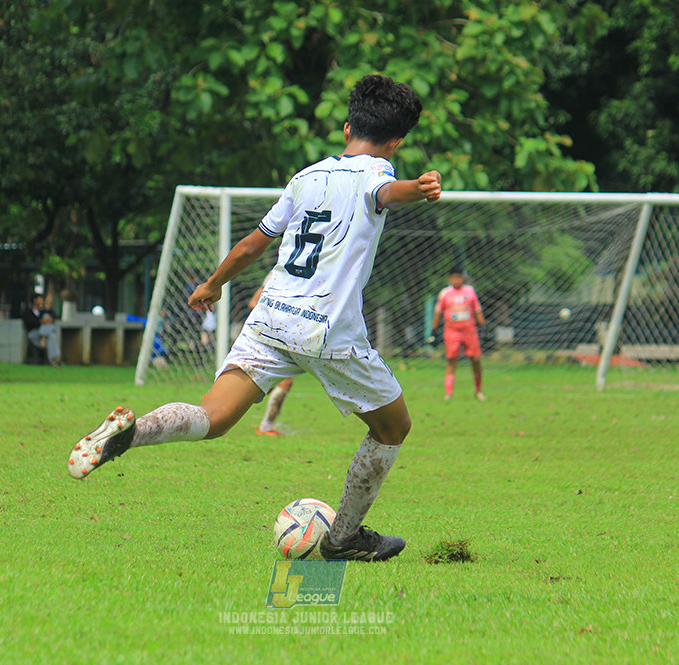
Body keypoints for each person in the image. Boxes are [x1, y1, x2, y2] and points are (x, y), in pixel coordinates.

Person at [66, 74, 441, 562]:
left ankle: (131, 434)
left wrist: (212, 284)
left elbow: (251, 245)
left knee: (215, 416)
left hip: (271, 315)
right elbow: (388, 195)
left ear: (347, 126)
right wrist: (419, 187)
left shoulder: (305, 178)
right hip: (326, 330)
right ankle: (344, 537)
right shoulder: (378, 176)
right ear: (396, 143)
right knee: (393, 428)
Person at [431, 266, 486, 401]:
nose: (457, 280)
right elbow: (438, 312)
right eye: (454, 277)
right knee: (451, 361)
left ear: (463, 278)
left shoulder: (470, 291)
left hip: (470, 331)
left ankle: (478, 391)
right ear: (450, 279)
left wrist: (483, 327)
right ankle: (448, 393)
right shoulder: (445, 293)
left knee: (476, 359)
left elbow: (477, 310)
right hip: (452, 331)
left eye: (459, 277)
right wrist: (434, 331)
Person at [248, 284, 293, 436]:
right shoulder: (277, 274)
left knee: (273, 382)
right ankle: (266, 427)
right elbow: (253, 302)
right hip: (270, 335)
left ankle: (224, 397)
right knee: (284, 381)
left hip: (284, 335)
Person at [22, 294, 62, 366]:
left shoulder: (43, 311)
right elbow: (30, 322)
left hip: (42, 334)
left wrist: (50, 319)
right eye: (40, 299)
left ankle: (51, 360)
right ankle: (55, 359)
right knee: (51, 334)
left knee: (51, 335)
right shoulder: (28, 311)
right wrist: (41, 321)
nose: (42, 300)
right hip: (33, 333)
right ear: (35, 300)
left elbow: (55, 316)